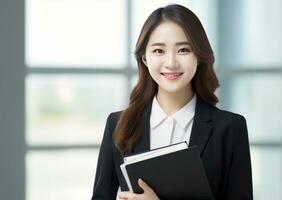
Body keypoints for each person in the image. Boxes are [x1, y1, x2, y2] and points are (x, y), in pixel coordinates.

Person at [91, 4, 252, 200]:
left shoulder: (229, 128)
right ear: (144, 58)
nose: (171, 62)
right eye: (159, 51)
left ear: (199, 56)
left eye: (183, 50)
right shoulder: (118, 124)